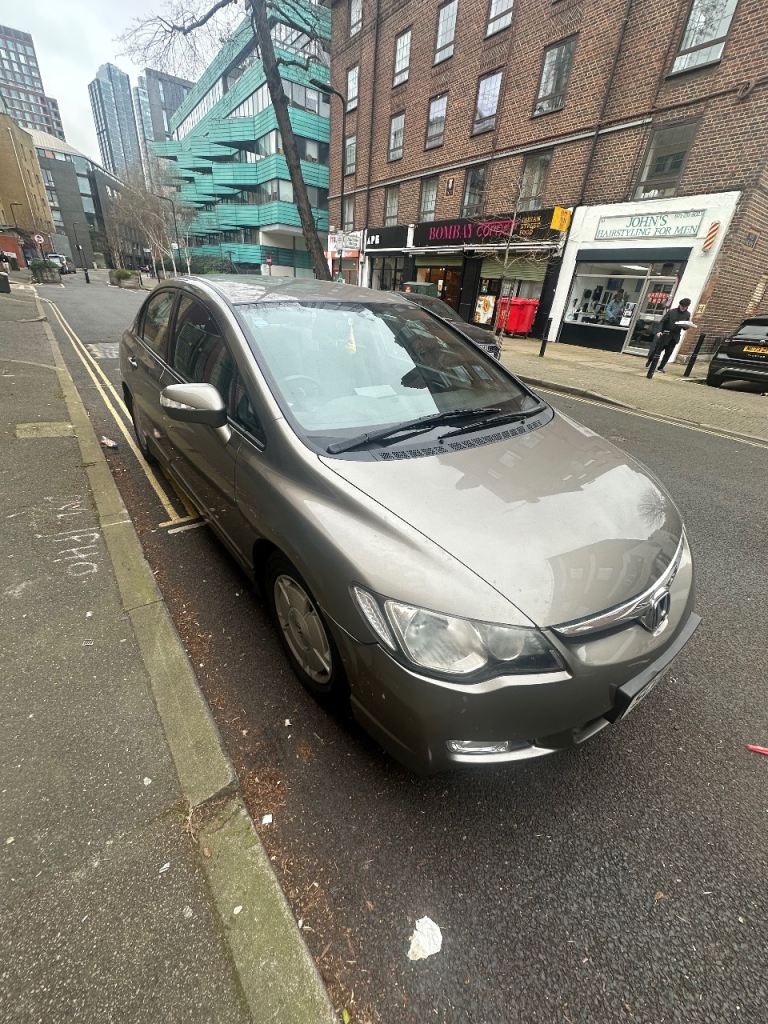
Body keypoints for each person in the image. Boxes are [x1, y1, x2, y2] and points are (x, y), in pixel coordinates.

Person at [646, 298, 695, 377]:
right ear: (679, 305)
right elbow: (662, 321)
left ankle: (661, 367)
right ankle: (650, 360)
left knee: (668, 353)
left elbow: (685, 327)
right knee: (657, 350)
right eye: (681, 306)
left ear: (687, 307)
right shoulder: (672, 311)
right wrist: (659, 331)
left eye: (684, 307)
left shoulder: (687, 314)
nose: (682, 308)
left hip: (675, 336)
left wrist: (686, 326)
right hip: (665, 334)